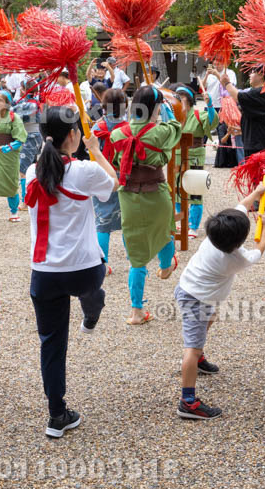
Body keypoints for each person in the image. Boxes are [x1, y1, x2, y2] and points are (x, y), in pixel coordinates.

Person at [24, 106, 118, 437]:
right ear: (74, 135)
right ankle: (91, 311)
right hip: (84, 270)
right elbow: (114, 183)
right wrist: (96, 151)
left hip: (45, 272)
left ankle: (56, 414)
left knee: (51, 342)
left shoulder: (32, 173)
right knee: (95, 286)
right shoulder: (85, 170)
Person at [175, 182, 265, 420]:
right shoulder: (238, 259)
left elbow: (241, 207)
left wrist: (256, 194)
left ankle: (199, 357)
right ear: (239, 241)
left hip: (191, 290)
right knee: (191, 348)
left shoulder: (213, 237)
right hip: (196, 300)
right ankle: (188, 402)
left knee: (211, 317)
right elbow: (260, 247)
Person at [110, 86, 183, 325]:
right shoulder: (161, 131)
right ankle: (165, 265)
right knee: (164, 231)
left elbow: (113, 160)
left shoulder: (118, 134)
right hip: (156, 192)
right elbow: (176, 127)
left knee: (136, 254)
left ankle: (136, 311)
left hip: (128, 195)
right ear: (156, 107)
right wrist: (169, 112)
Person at [91, 89, 127, 272]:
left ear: (104, 107)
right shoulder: (129, 128)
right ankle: (134, 258)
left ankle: (102, 263)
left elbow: (90, 150)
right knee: (129, 219)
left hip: (101, 175)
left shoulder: (97, 128)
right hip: (124, 175)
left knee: (103, 220)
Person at [174, 85, 217, 236]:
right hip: (177, 155)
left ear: (190, 99)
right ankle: (181, 219)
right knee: (177, 188)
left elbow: (212, 122)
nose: (180, 100)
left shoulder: (198, 114)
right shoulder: (173, 115)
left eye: (183, 96)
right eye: (177, 97)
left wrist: (210, 105)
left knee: (195, 189)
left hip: (195, 155)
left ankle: (193, 225)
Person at [213, 67, 265, 159]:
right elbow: (259, 117)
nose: (250, 75)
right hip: (260, 138)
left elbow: (237, 97)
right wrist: (242, 130)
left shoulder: (260, 92)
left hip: (259, 142)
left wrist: (227, 83)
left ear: (261, 75)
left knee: (258, 171)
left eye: (253, 72)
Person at [0, 90, 27, 222]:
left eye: (0, 100)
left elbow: (20, 139)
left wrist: (8, 147)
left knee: (11, 183)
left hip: (10, 156)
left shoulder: (15, 118)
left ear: (7, 103)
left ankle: (14, 212)